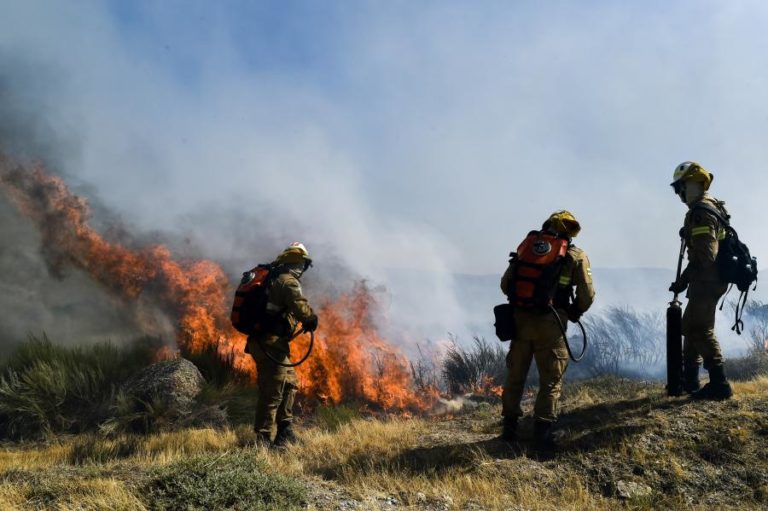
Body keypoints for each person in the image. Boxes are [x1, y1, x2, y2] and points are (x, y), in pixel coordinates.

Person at [499, 210, 595, 447]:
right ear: (570, 231)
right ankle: (542, 433)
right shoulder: (575, 255)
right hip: (551, 324)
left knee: (515, 375)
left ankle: (509, 427)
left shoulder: (527, 248)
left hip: (521, 322)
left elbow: (505, 284)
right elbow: (587, 294)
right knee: (551, 379)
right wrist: (575, 311)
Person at [669, 162, 733, 400]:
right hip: (708, 280)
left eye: (681, 187)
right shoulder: (710, 206)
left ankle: (720, 384)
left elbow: (705, 257)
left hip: (707, 280)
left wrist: (684, 279)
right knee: (691, 326)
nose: (679, 193)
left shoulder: (702, 212)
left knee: (699, 329)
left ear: (695, 183)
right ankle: (691, 380)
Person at [247, 242, 319, 447]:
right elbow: (299, 305)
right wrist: (310, 318)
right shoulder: (288, 281)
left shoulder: (274, 278)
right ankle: (262, 440)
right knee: (273, 389)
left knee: (289, 383)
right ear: (298, 263)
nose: (303, 269)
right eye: (303, 264)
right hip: (269, 343)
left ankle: (285, 431)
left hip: (269, 343)